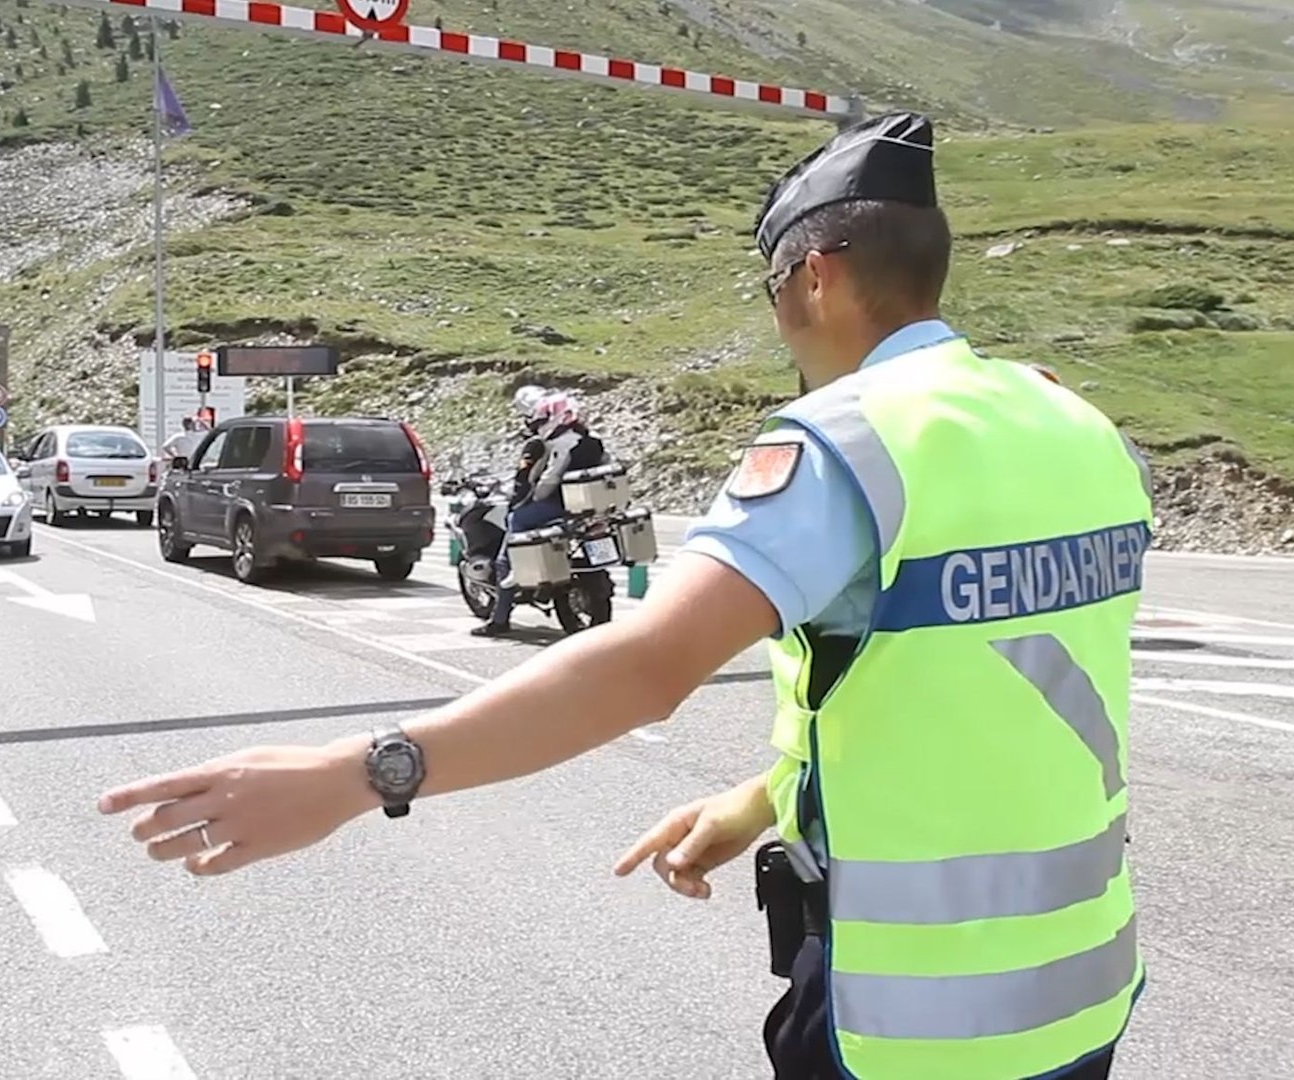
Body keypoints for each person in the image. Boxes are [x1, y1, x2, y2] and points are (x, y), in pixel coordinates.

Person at [96, 111, 1153, 1079]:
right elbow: (972, 682)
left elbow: (645, 669)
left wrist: (360, 773)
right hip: (1078, 998)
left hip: (915, 1030)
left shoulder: (851, 442)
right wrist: (761, 801)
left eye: (773, 288)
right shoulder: (1071, 424)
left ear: (818, 277)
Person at [471, 392, 607, 637]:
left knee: (513, 531)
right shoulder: (592, 440)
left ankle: (499, 620)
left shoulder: (561, 443)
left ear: (554, 418)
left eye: (540, 421)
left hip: (559, 505)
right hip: (593, 505)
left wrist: (530, 498)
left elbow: (549, 479)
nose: (538, 426)